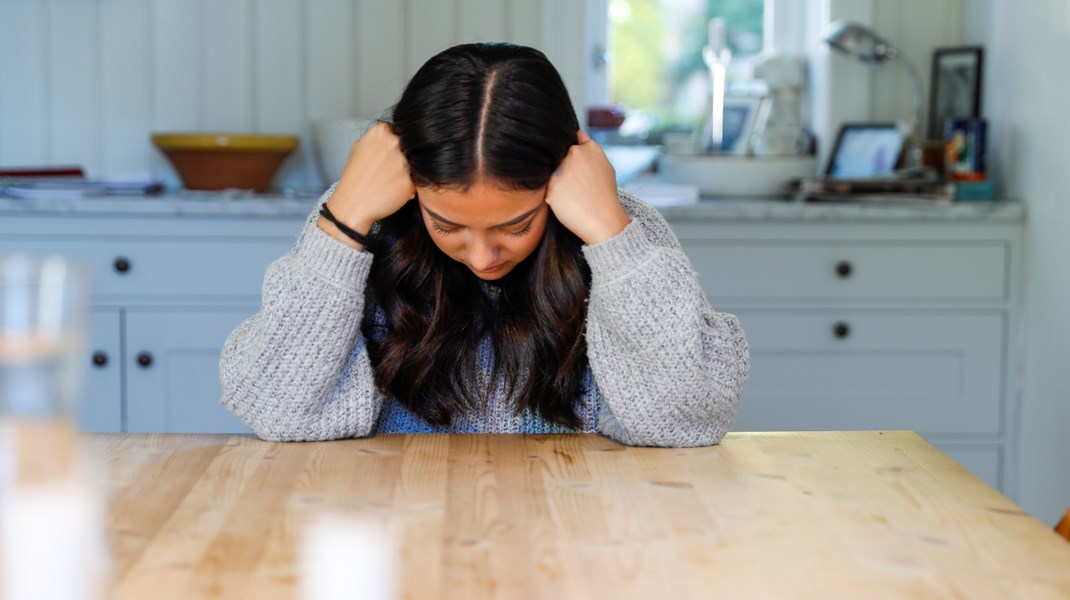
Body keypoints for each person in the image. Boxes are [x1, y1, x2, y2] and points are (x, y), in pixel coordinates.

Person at [220, 42, 748, 447]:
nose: (481, 257)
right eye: (447, 225)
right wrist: (345, 220)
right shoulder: (358, 223)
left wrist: (612, 235)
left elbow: (687, 422)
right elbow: (279, 412)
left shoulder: (621, 229)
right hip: (397, 523)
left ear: (562, 178)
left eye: (515, 226)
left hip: (579, 529)